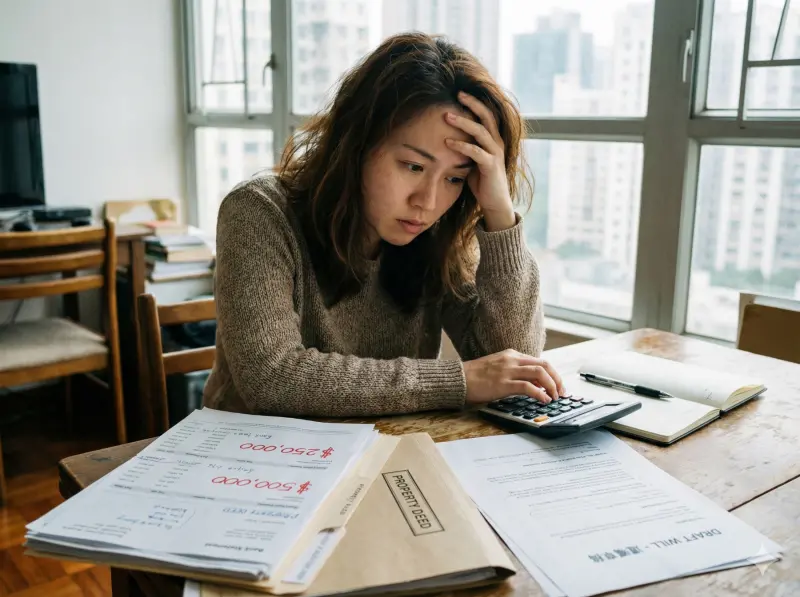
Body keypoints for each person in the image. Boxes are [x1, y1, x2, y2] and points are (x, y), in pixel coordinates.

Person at [203, 32, 566, 418]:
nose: (427, 202)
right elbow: (271, 379)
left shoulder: (436, 232)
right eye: (413, 166)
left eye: (454, 178)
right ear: (355, 143)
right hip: (253, 459)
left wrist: (498, 211)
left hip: (384, 451)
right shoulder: (258, 211)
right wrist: (458, 381)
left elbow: (514, 364)